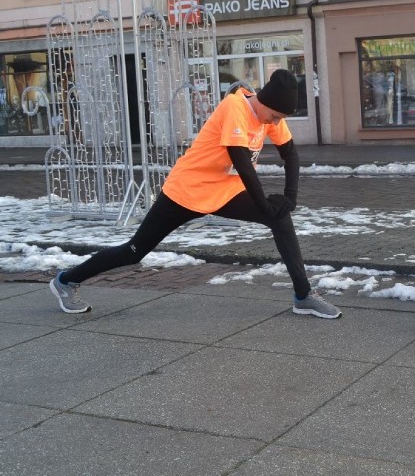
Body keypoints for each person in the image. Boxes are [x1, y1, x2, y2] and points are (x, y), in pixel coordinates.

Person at [49, 69, 342, 319]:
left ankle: (303, 295)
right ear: (263, 101)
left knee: (280, 219)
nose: (276, 124)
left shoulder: (269, 115)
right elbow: (241, 161)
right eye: (275, 117)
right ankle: (66, 280)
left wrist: (288, 200)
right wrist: (264, 203)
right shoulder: (235, 107)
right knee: (134, 252)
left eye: (280, 119)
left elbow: (290, 154)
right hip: (186, 191)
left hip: (225, 192)